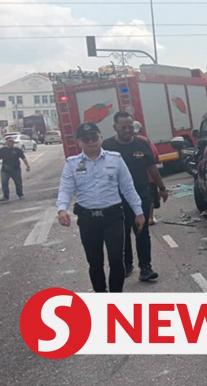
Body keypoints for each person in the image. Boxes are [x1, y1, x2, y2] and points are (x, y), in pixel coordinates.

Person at [56, 122, 145, 293]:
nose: (90, 142)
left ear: (101, 138)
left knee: (116, 259)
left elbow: (128, 187)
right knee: (95, 262)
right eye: (85, 139)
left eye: (94, 137)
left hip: (113, 217)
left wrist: (139, 212)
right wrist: (62, 209)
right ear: (79, 142)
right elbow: (65, 189)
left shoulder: (115, 159)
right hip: (88, 219)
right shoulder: (72, 164)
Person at [102, 111, 168, 282]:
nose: (127, 130)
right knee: (121, 233)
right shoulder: (107, 146)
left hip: (141, 195)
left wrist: (162, 188)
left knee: (142, 231)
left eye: (130, 126)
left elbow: (152, 167)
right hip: (117, 199)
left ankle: (145, 268)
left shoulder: (142, 144)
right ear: (115, 127)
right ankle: (126, 264)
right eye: (123, 127)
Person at [133, 121, 160, 226]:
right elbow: (155, 155)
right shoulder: (146, 141)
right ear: (141, 130)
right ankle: (150, 217)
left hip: (135, 177)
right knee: (150, 197)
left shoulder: (127, 143)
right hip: (149, 176)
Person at [0, 135, 30, 201]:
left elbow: (23, 158)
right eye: (10, 141)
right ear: (6, 142)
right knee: (4, 183)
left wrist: (27, 166)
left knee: (18, 182)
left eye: (12, 141)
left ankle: (20, 194)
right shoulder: (2, 150)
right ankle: (6, 196)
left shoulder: (17, 150)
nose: (11, 143)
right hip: (5, 170)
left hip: (16, 169)